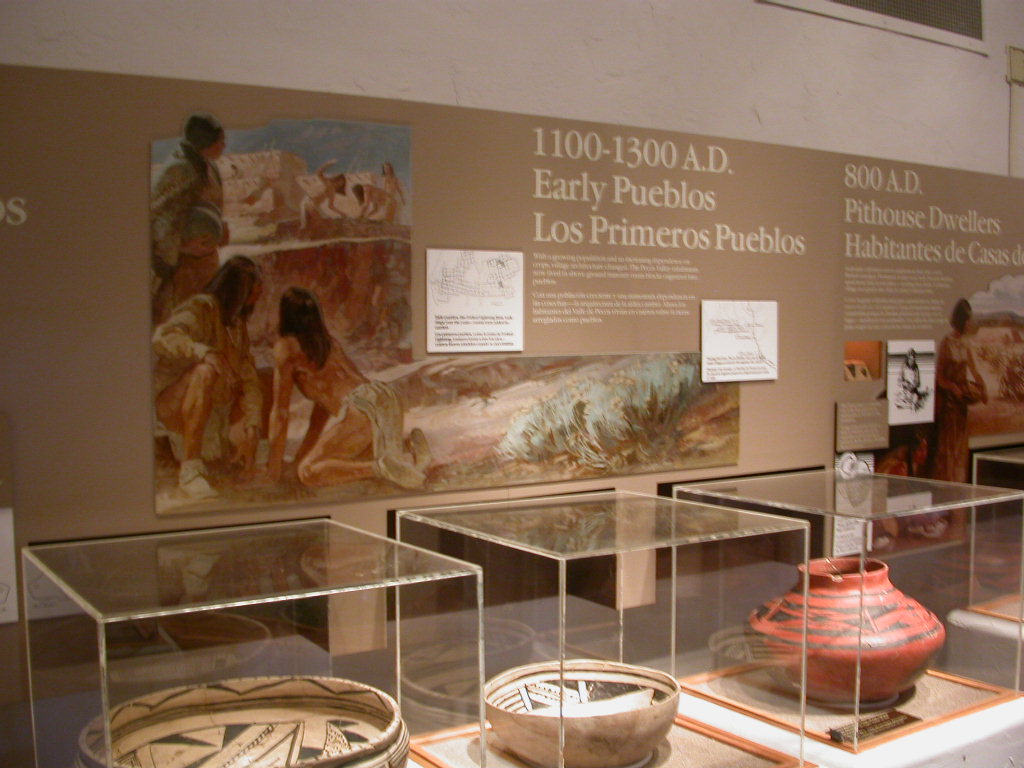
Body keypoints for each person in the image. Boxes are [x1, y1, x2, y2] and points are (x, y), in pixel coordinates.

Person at [265, 286, 430, 488]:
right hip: (383, 395)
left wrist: (273, 470)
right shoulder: (328, 343)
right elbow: (320, 415)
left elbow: (280, 412)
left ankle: (381, 467)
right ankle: (409, 448)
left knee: (308, 473)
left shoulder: (286, 347)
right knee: (352, 460)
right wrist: (300, 456)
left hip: (360, 407)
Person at [153, 255, 264, 499]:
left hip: (216, 412)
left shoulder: (237, 325)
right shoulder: (202, 307)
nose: (257, 298)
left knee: (247, 432)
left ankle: (234, 455)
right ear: (238, 291)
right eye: (254, 292)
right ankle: (190, 472)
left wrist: (253, 425)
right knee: (206, 371)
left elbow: (249, 378)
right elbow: (163, 337)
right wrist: (203, 352)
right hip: (175, 406)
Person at [151, 113, 230, 322]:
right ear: (206, 142)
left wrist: (221, 228)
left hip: (206, 264)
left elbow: (209, 208)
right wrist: (183, 247)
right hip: (182, 269)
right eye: (220, 140)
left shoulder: (209, 166)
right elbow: (156, 221)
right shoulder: (178, 168)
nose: (224, 145)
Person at [933, 298, 988, 483]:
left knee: (960, 447)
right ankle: (946, 485)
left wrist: (982, 387)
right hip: (949, 403)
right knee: (948, 447)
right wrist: (953, 387)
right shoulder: (947, 342)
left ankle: (958, 484)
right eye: (968, 320)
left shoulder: (965, 343)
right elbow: (940, 377)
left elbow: (974, 369)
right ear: (961, 320)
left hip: (961, 401)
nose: (970, 323)